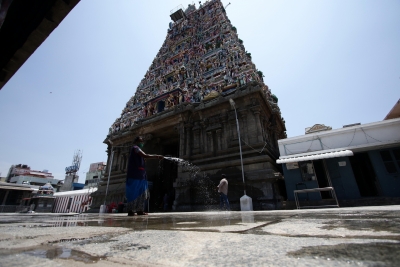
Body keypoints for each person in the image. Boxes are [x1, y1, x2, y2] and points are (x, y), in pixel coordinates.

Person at [126, 136, 164, 216]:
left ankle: (140, 210)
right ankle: (131, 210)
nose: (142, 143)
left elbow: (143, 157)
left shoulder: (137, 151)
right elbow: (145, 155)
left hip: (141, 175)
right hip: (135, 175)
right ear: (136, 142)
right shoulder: (135, 148)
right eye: (140, 141)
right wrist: (157, 156)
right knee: (134, 193)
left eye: (142, 141)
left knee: (142, 193)